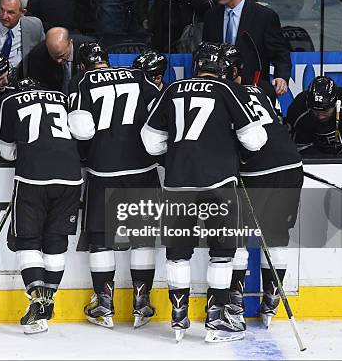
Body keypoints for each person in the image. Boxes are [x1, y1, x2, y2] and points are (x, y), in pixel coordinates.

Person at [140, 42, 267, 343]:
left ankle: (178, 317)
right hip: (219, 185)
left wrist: (179, 154)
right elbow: (255, 139)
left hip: (177, 185)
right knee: (223, 254)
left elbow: (150, 141)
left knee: (178, 255)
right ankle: (215, 320)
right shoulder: (228, 90)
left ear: (196, 65)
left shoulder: (172, 90)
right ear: (223, 67)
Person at [67, 43, 161, 329]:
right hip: (143, 168)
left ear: (82, 65)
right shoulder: (138, 75)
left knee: (102, 240)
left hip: (104, 170)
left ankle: (104, 305)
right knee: (142, 237)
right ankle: (141, 304)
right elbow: (161, 114)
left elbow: (82, 129)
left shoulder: (81, 81)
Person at [219, 44, 303, 329]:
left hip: (257, 169)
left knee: (239, 236)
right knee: (277, 234)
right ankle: (271, 298)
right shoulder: (263, 88)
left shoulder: (223, 94)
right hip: (291, 163)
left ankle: (236, 301)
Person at [0, 77, 83, 334]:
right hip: (71, 176)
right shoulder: (62, 98)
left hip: (33, 177)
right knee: (55, 241)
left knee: (28, 241)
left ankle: (37, 299)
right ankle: (48, 300)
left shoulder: (9, 100)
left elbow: (6, 152)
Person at [202, 0, 291, 100]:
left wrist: (282, 76)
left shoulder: (264, 16)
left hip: (252, 90)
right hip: (218, 92)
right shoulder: (211, 16)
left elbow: (280, 52)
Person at [286, 76, 342, 154]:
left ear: (336, 103)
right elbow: (295, 148)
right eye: (316, 111)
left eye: (325, 111)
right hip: (312, 156)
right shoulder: (298, 109)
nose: (320, 116)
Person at [18, 27, 95, 94]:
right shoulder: (38, 54)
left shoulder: (89, 49)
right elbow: (39, 86)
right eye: (54, 56)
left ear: (70, 42)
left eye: (62, 55)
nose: (59, 61)